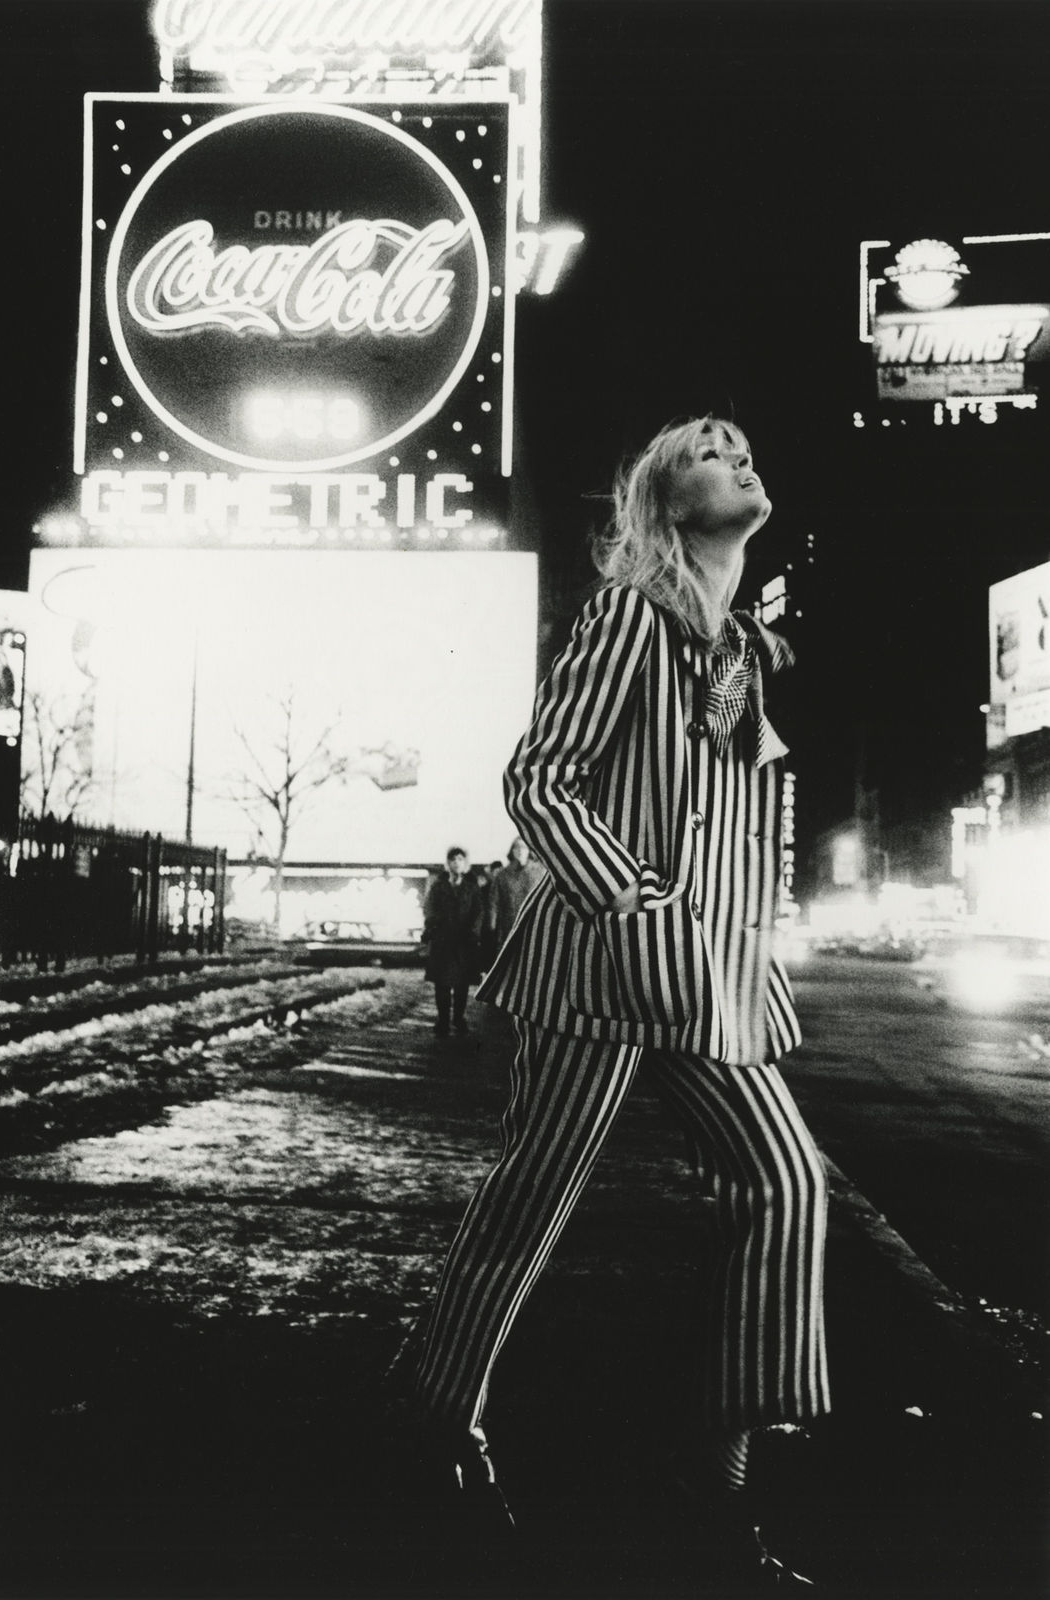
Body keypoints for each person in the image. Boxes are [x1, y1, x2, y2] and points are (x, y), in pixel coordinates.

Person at [408, 416, 828, 1585]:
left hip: (708, 977)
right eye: (707, 453)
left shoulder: (734, 649)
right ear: (665, 502)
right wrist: (627, 897)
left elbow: (727, 813)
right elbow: (537, 779)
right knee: (527, 1203)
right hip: (599, 968)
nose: (738, 457)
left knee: (785, 1184)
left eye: (742, 447)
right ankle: (435, 1425)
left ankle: (722, 1475)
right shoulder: (628, 617)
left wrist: (744, 943)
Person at [422, 847, 484, 1037]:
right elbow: (429, 909)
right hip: (443, 943)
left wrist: (473, 933)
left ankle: (458, 1018)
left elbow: (479, 912)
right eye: (453, 859)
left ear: (465, 864)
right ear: (448, 863)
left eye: (460, 859)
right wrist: (432, 927)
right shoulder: (438, 887)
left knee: (461, 985)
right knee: (442, 984)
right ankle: (443, 1020)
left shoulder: (472, 888)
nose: (456, 863)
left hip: (464, 944)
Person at [486, 837, 545, 960]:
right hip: (509, 924)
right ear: (512, 851)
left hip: (533, 923)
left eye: (523, 847)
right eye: (516, 847)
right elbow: (494, 900)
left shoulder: (539, 872)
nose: (520, 850)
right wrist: (492, 922)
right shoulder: (502, 875)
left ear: (529, 850)